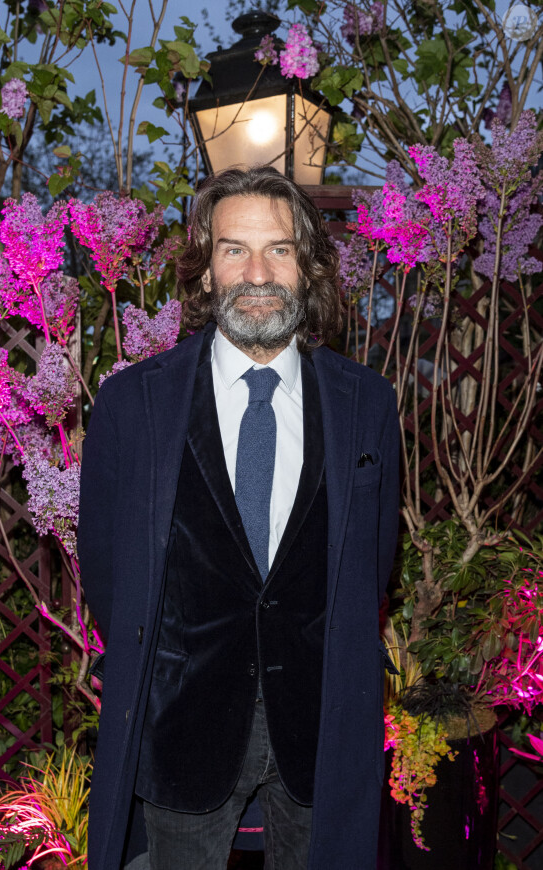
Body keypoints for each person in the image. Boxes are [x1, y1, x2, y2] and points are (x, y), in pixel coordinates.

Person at [78, 165, 400, 870]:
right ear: (204, 270)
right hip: (182, 726)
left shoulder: (365, 404)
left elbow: (374, 565)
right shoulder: (134, 405)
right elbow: (107, 571)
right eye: (234, 249)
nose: (258, 271)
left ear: (308, 268)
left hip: (321, 728)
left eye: (279, 249)